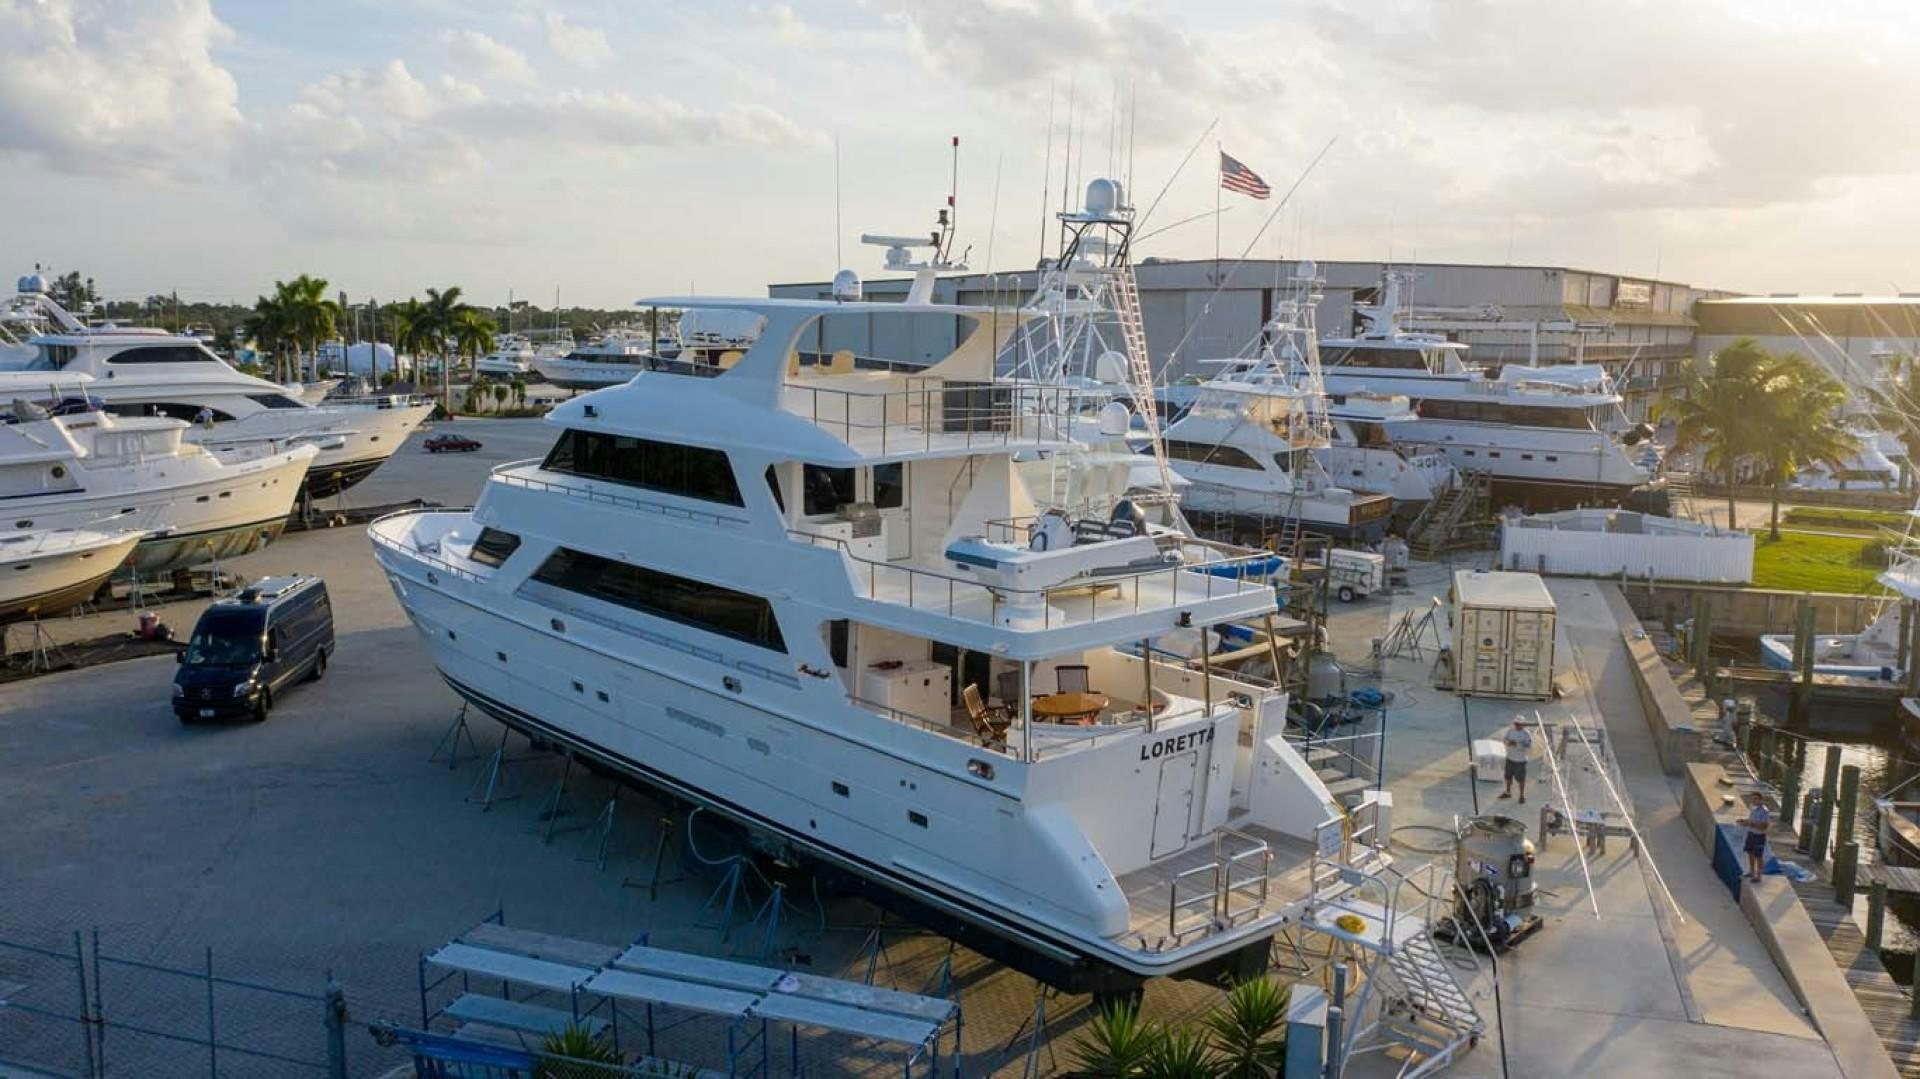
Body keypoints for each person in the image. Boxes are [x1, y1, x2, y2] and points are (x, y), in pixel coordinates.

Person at [1740, 791, 1772, 883]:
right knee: (1750, 853)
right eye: (1752, 799)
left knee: (1758, 856)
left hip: (1759, 835)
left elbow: (1764, 825)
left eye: (1756, 799)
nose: (1753, 801)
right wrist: (1745, 822)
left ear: (1760, 800)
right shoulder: (1753, 809)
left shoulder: (1764, 811)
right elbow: (1751, 820)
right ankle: (1751, 871)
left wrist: (1751, 824)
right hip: (1751, 834)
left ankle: (1759, 876)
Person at [1499, 716, 1532, 803]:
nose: (1516, 725)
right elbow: (1504, 739)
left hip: (1520, 761)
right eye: (1515, 724)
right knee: (1508, 776)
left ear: (1522, 724)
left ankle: (1521, 796)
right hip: (1510, 758)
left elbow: (1528, 747)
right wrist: (1508, 743)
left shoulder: (1526, 734)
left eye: (1518, 724)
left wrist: (1517, 744)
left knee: (1521, 779)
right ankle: (1508, 792)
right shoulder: (1510, 731)